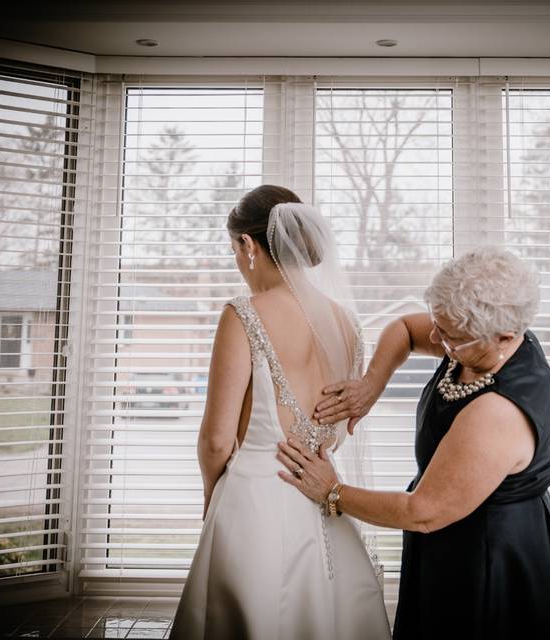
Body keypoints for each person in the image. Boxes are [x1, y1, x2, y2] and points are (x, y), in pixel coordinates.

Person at [277, 247, 550, 639]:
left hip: (488, 558)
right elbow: (405, 331)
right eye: (439, 326)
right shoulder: (482, 343)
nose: (435, 339)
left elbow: (421, 512)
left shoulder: (497, 413)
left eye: (450, 337)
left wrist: (332, 491)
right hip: (450, 539)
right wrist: (371, 385)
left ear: (506, 335)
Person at [170, 185, 390, 639]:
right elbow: (338, 424)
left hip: (253, 502)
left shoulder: (243, 313)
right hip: (325, 498)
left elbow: (216, 438)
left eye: (234, 249)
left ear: (248, 246)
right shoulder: (347, 323)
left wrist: (213, 494)